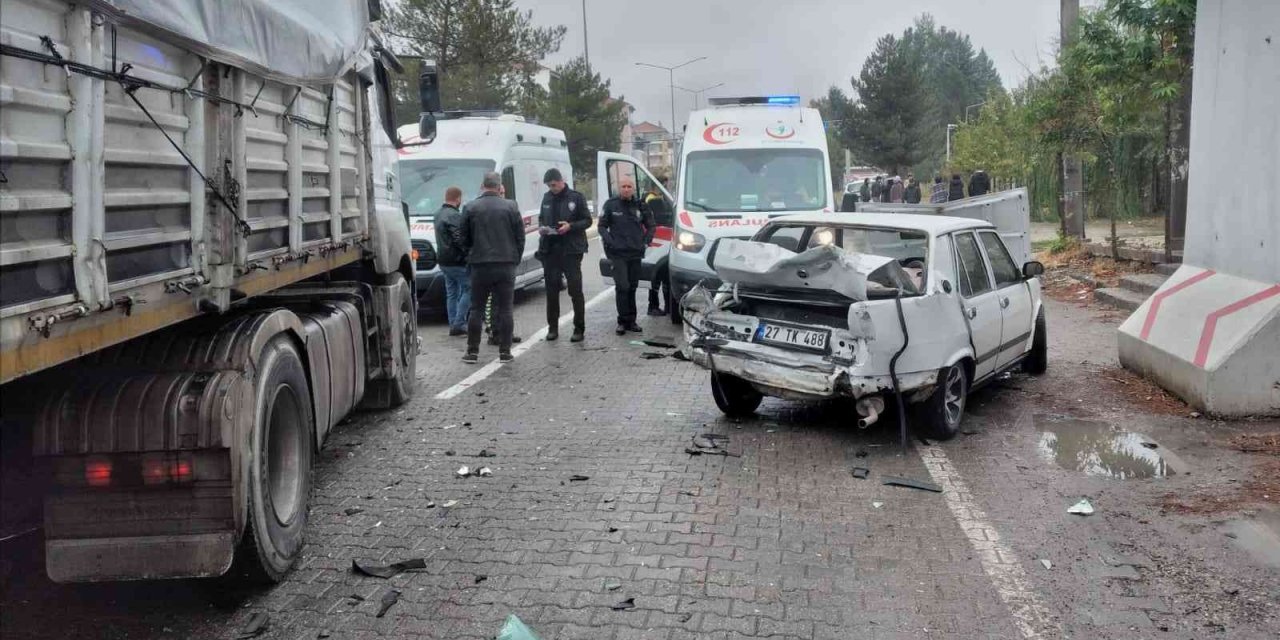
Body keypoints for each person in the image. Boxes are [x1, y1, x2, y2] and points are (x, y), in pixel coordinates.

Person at [460, 172, 524, 363]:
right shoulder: (511, 206)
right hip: (506, 263)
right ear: (499, 186)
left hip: (480, 264)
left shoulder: (470, 207)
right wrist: (515, 258)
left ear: (483, 186)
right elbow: (520, 237)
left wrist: (471, 254)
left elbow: (463, 237)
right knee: (505, 309)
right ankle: (505, 351)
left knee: (476, 309)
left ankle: (472, 351)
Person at [536, 168, 592, 342]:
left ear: (561, 181)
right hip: (550, 250)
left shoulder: (576, 197)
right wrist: (543, 228)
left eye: (554, 185)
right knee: (551, 291)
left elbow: (587, 220)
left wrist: (571, 226)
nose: (552, 188)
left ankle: (579, 328)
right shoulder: (547, 197)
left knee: (575, 290)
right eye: (549, 186)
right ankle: (552, 328)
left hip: (571, 250)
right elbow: (541, 217)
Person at [599, 180, 655, 335]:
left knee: (632, 287)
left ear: (633, 189)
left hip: (635, 253)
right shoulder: (611, 205)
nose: (626, 189)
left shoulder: (641, 206)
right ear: (619, 188)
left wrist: (646, 241)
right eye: (623, 186)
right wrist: (610, 241)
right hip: (618, 254)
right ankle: (622, 321)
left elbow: (651, 225)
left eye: (629, 187)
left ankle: (632, 321)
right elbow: (601, 226)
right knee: (622, 286)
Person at [433, 186, 469, 337]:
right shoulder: (454, 215)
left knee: (452, 293)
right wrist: (468, 254)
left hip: (443, 260)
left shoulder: (438, 214)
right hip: (457, 261)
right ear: (458, 199)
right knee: (469, 289)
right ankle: (459, 324)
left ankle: (453, 322)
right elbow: (459, 239)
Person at [643, 184, 670, 316]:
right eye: (664, 185)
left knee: (665, 277)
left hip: (662, 238)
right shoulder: (652, 199)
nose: (666, 187)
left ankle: (667, 306)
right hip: (658, 239)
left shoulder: (659, 197)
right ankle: (653, 306)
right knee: (657, 277)